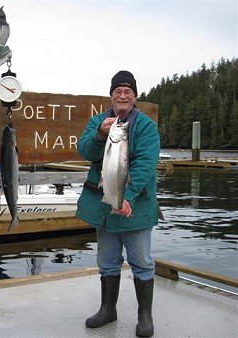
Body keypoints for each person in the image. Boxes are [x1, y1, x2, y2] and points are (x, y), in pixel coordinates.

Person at [76, 70, 160, 337]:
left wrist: (127, 197)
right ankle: (107, 309)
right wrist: (100, 135)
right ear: (111, 95)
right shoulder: (99, 122)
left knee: (142, 263)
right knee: (108, 262)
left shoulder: (146, 126)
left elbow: (146, 164)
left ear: (135, 97)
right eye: (118, 91)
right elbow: (84, 151)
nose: (122, 95)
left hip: (135, 208)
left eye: (128, 92)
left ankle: (144, 316)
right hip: (105, 208)